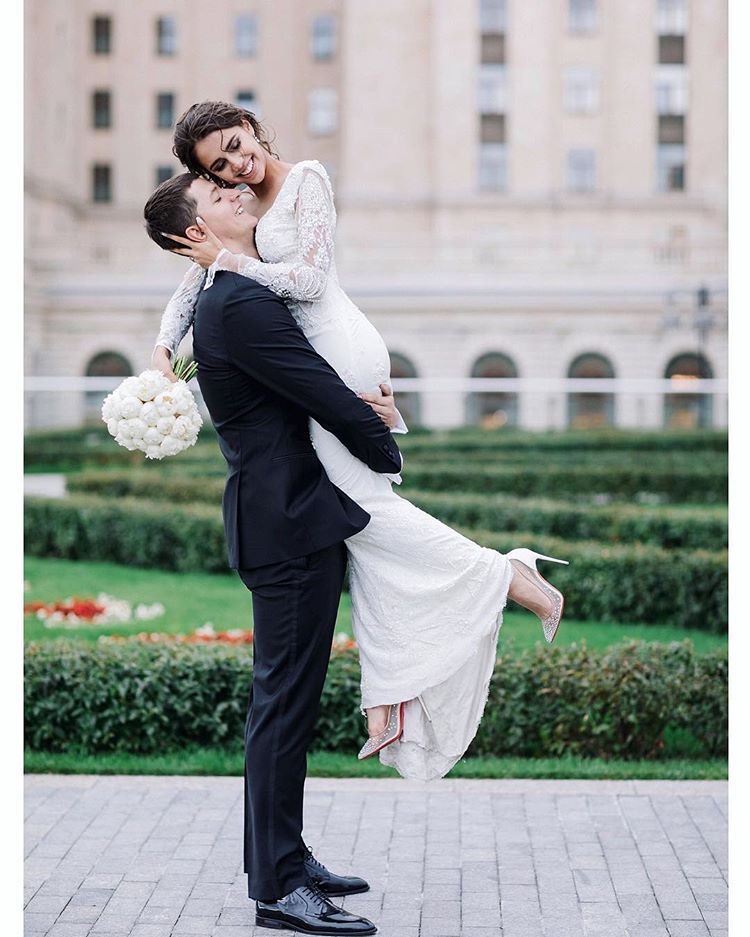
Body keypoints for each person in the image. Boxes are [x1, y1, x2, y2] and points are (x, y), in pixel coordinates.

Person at [151, 101, 567, 782]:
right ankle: (389, 699)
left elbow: (309, 280)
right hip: (318, 360)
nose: (235, 165)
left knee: (364, 512)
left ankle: (508, 579)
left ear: (254, 127)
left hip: (334, 347)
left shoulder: (305, 180)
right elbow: (193, 281)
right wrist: (166, 345)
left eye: (235, 146)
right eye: (217, 165)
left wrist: (229, 260)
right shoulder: (237, 211)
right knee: (350, 522)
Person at [144, 172, 403, 935]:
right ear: (195, 235)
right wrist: (386, 443)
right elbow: (317, 388)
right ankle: (279, 886)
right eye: (214, 195)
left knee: (283, 703)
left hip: (286, 521)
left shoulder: (229, 299)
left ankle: (283, 860)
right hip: (287, 527)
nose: (232, 190)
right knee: (282, 707)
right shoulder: (241, 303)